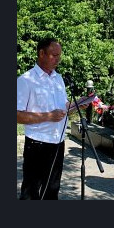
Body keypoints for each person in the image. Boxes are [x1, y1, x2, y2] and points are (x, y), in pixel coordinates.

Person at [16, 38, 80, 200]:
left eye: (59, 55)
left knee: (52, 190)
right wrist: (48, 116)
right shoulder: (26, 80)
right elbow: (17, 115)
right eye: (54, 55)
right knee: (31, 193)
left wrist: (78, 105)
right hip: (37, 144)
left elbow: (63, 107)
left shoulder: (58, 78)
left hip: (58, 142)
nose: (58, 59)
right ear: (41, 53)